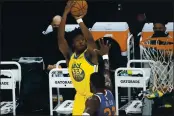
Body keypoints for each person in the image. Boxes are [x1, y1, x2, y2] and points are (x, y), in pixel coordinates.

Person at [57, 1, 99, 115]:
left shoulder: (90, 55)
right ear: (73, 44)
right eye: (78, 40)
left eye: (82, 40)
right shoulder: (70, 57)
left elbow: (90, 40)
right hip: (79, 97)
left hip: (93, 97)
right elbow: (61, 39)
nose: (81, 41)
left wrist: (79, 19)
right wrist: (65, 14)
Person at [83, 39, 116, 116]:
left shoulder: (93, 100)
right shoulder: (109, 92)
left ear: (91, 85)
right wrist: (105, 56)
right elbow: (106, 72)